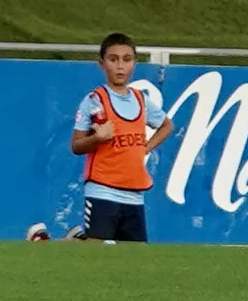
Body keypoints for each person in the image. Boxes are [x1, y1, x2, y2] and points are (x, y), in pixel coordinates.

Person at [63, 35, 173, 242]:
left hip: (134, 194)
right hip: (102, 191)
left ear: (134, 63)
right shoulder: (94, 101)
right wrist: (98, 138)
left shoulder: (141, 99)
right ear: (102, 64)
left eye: (127, 59)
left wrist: (145, 148)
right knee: (96, 255)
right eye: (113, 60)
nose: (120, 66)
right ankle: (52, 243)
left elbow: (167, 125)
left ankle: (76, 240)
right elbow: (76, 146)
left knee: (134, 259)